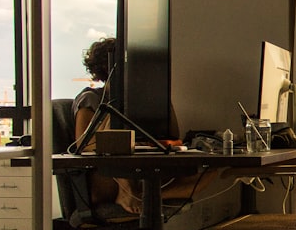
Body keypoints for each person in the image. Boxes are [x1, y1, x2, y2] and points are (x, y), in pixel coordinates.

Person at [73, 37, 213, 214]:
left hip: (139, 171)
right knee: (120, 154)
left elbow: (172, 134)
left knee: (209, 171)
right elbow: (85, 147)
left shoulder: (140, 99)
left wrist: (161, 96)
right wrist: (116, 103)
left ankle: (149, 197)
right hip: (105, 177)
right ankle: (132, 193)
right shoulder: (91, 98)